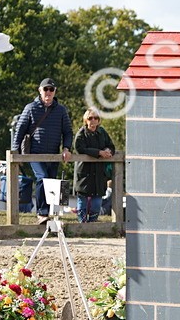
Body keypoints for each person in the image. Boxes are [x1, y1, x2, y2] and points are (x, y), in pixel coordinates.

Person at [11, 78, 73, 224]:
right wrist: (15, 150)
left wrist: (66, 148)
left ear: (55, 92)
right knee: (42, 178)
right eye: (46, 89)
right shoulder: (31, 108)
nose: (48, 92)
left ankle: (51, 214)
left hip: (53, 154)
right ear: (40, 91)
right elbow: (20, 130)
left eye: (51, 89)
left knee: (52, 182)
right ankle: (42, 213)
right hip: (34, 152)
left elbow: (68, 132)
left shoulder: (61, 110)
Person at [73, 108, 115, 223]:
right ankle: (82, 225)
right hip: (84, 172)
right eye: (90, 118)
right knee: (83, 201)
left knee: (97, 203)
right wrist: (99, 153)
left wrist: (108, 150)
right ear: (85, 120)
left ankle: (92, 224)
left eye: (95, 118)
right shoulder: (81, 133)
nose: (93, 120)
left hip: (98, 172)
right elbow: (79, 148)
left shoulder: (102, 132)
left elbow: (111, 146)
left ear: (99, 120)